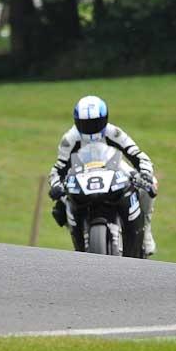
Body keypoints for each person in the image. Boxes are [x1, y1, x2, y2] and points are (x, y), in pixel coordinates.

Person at [47, 95, 158, 255]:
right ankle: (79, 240)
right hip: (82, 177)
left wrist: (145, 175)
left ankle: (146, 231)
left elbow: (138, 155)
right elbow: (57, 170)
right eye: (86, 124)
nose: (91, 128)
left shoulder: (114, 133)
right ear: (77, 122)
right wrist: (56, 186)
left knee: (150, 184)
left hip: (114, 171)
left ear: (104, 119)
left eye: (95, 123)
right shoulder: (69, 139)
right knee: (62, 204)